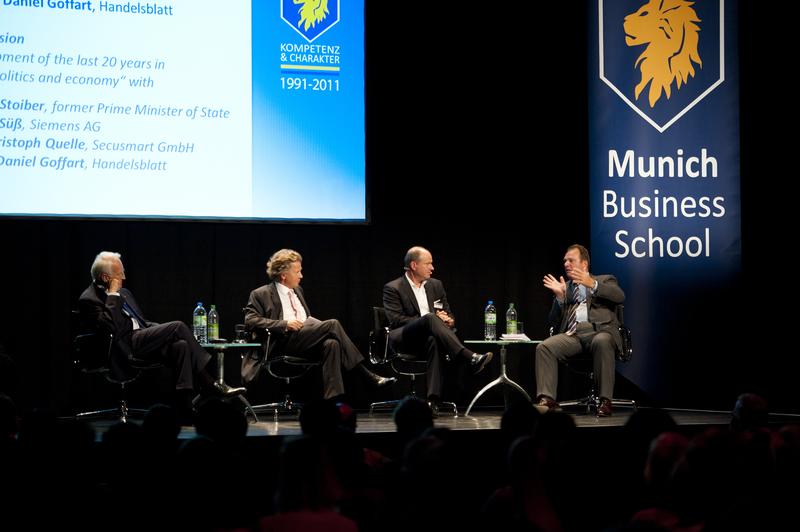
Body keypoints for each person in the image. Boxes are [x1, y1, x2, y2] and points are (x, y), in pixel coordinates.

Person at [78, 251, 244, 418]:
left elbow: (141, 322)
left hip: (140, 340)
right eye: (120, 274)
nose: (124, 277)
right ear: (106, 278)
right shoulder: (89, 299)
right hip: (122, 347)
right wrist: (113, 295)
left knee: (181, 346)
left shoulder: (125, 293)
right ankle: (209, 383)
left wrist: (162, 332)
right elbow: (110, 327)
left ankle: (185, 409)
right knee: (178, 326)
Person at [243, 249, 396, 400]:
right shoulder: (260, 294)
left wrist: (315, 324)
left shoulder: (298, 291)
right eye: (297, 272)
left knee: (332, 344)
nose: (301, 276)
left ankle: (332, 401)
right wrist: (284, 324)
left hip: (304, 339)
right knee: (333, 324)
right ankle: (366, 375)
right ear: (283, 275)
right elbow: (250, 321)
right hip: (281, 342)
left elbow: (305, 318)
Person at [382, 246, 493, 413]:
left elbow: (448, 313)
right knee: (430, 317)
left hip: (429, 338)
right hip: (403, 337)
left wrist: (448, 322)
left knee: (433, 339)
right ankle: (468, 356)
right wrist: (428, 320)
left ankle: (432, 400)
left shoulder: (436, 285)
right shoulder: (393, 287)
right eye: (428, 264)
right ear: (414, 265)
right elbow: (396, 320)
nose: (432, 268)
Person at [535, 244, 625, 417]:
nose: (566, 264)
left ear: (584, 264)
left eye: (571, 260)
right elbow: (552, 321)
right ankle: (548, 401)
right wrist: (560, 299)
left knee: (602, 340)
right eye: (565, 261)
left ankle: (605, 401)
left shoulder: (605, 279)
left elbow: (619, 296)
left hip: (599, 331)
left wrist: (593, 284)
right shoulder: (566, 287)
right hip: (573, 335)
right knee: (544, 347)